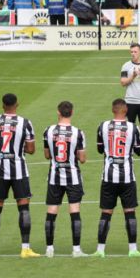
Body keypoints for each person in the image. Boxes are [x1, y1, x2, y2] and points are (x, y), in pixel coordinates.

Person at [0, 93, 38, 259]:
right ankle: (25, 249)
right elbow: (31, 149)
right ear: (17, 104)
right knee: (23, 207)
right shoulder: (25, 123)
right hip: (19, 171)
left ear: (3, 105)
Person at [94, 98, 140, 258]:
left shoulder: (102, 126)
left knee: (106, 212)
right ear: (126, 110)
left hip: (108, 177)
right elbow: (139, 151)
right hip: (127, 178)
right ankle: (133, 249)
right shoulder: (132, 128)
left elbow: (100, 149)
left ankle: (100, 250)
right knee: (130, 212)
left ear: (113, 110)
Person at [42, 101, 87, 258]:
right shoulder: (77, 133)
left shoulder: (48, 131)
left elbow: (47, 155)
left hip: (54, 177)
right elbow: (82, 159)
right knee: (74, 210)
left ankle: (49, 249)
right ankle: (76, 250)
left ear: (58, 112)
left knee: (52, 210)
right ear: (72, 112)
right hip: (72, 177)